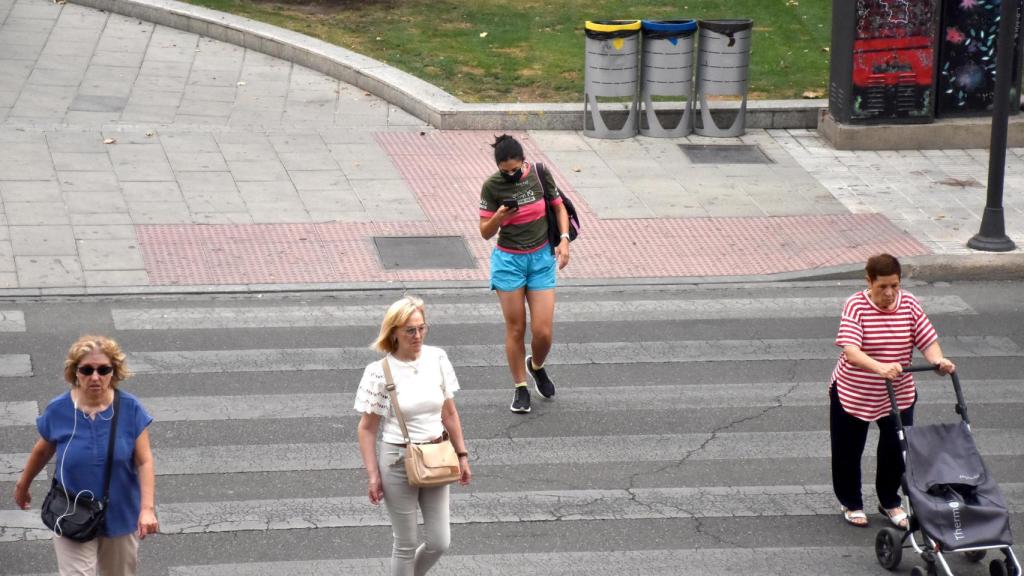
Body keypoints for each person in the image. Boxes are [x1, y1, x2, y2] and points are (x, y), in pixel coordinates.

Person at [14, 335, 158, 576]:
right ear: (75, 372)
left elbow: (144, 461)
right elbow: (42, 450)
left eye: (103, 369)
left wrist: (147, 509)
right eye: (87, 370)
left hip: (121, 513)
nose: (95, 377)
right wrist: (23, 484)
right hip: (72, 512)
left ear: (114, 372)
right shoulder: (59, 409)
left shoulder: (130, 409)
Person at [830, 254, 955, 528]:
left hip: (898, 393)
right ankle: (851, 502)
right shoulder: (855, 305)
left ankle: (889, 501)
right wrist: (880, 367)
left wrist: (938, 361)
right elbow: (851, 351)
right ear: (869, 282)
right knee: (848, 451)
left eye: (894, 286)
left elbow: (927, 339)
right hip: (854, 392)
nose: (889, 293)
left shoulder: (909, 304)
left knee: (895, 449)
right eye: (882, 287)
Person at [355, 296, 472, 576]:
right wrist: (373, 475)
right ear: (393, 332)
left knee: (439, 541)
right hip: (397, 461)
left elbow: (450, 414)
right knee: (406, 544)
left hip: (436, 456)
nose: (417, 335)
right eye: (410, 330)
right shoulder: (379, 372)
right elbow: (367, 428)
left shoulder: (437, 358)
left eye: (422, 328)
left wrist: (462, 454)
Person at [478, 134, 571, 414]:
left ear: (524, 162)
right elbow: (485, 232)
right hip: (509, 262)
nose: (511, 174)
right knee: (516, 328)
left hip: (541, 259)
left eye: (515, 169)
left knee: (543, 331)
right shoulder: (491, 186)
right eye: (505, 171)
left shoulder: (540, 174)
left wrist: (564, 240)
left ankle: (536, 365)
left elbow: (558, 207)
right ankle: (520, 387)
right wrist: (499, 217)